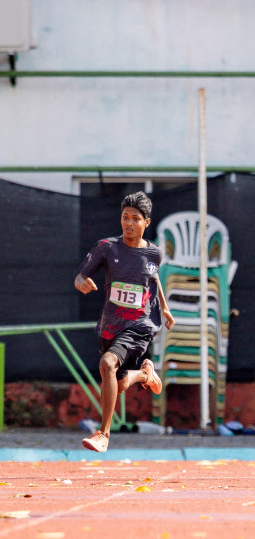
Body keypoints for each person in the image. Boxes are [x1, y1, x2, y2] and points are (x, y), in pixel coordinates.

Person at [74, 192, 173, 453]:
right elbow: (80, 276)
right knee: (117, 383)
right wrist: (81, 282)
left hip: (140, 325)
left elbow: (154, 279)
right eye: (125, 218)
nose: (128, 223)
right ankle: (145, 373)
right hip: (111, 326)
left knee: (107, 363)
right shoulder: (106, 247)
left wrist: (163, 307)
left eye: (135, 219)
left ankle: (103, 434)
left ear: (146, 222)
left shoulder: (154, 253)